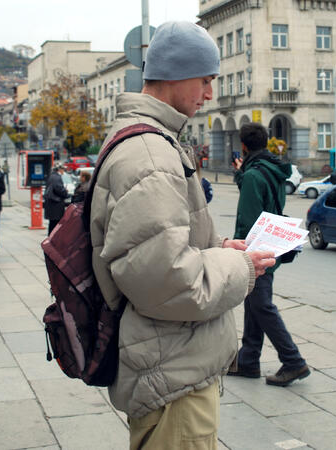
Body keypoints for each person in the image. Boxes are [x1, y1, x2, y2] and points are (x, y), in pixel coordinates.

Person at [90, 22, 275, 449]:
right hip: (172, 373)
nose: (209, 94)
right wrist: (240, 264)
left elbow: (159, 250)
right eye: (206, 81)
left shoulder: (151, 140)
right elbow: (167, 280)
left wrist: (216, 248)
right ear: (177, 74)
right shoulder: (151, 153)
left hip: (169, 363)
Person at [229, 122, 310, 386]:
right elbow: (262, 198)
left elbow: (249, 218)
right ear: (265, 142)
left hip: (258, 251)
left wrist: (241, 252)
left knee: (261, 306)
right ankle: (248, 361)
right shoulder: (271, 169)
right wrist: (242, 174)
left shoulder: (254, 174)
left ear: (243, 145)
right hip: (272, 246)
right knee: (253, 305)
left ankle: (293, 361)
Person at [44, 163, 68, 234]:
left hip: (51, 204)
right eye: (63, 169)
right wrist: (66, 194)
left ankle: (50, 238)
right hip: (56, 205)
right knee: (56, 224)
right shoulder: (57, 177)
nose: (64, 170)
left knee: (52, 223)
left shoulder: (52, 176)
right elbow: (59, 189)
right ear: (59, 169)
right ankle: (52, 239)